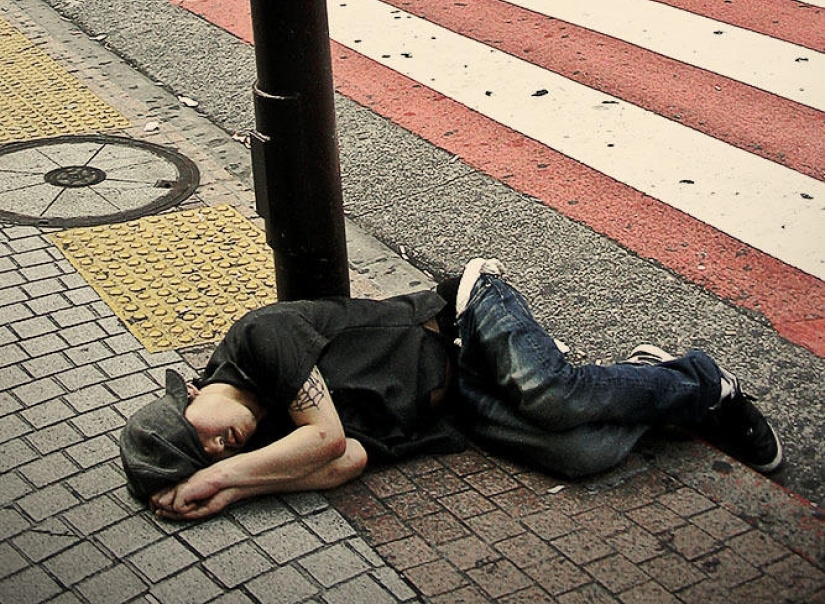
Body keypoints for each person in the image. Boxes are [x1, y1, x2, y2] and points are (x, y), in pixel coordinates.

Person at [120, 259, 783, 521]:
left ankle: (704, 384)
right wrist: (232, 490)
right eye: (208, 460)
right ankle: (647, 377)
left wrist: (218, 477)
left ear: (186, 401)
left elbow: (324, 436)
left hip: (465, 321)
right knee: (584, 456)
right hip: (459, 400)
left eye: (197, 440)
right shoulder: (264, 442)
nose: (217, 447)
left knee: (553, 398)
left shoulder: (258, 339)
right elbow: (345, 459)